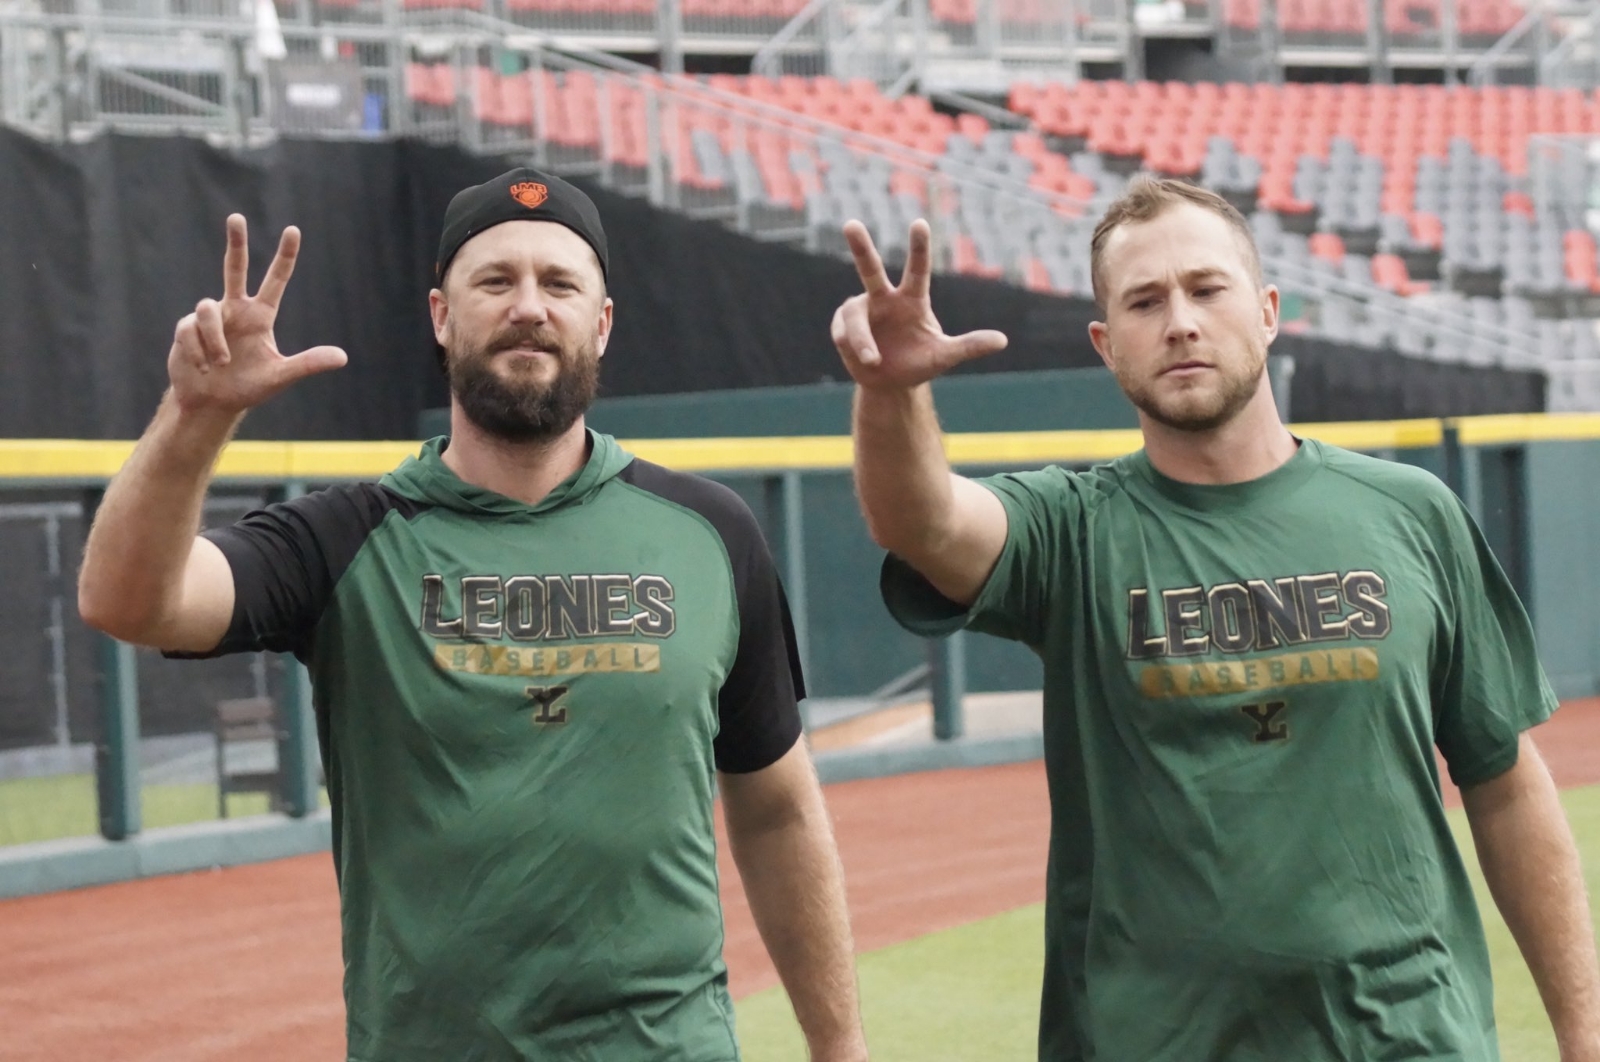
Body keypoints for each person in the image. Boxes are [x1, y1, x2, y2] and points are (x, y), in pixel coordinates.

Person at [78, 167, 868, 1062]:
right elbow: (127, 601)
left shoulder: (710, 533)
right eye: (495, 281)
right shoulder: (343, 541)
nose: (528, 306)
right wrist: (193, 416)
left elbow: (778, 811)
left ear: (600, 324)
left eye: (559, 283)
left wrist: (840, 1049)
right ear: (441, 316)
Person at [830, 175, 1600, 1061]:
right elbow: (921, 521)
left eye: (1206, 288)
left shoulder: (1411, 514)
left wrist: (1583, 1035)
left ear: (1268, 311)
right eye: (1145, 301)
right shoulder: (1074, 529)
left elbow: (1504, 781)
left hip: (1406, 1037)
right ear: (1105, 344)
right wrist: (888, 393)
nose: (1181, 321)